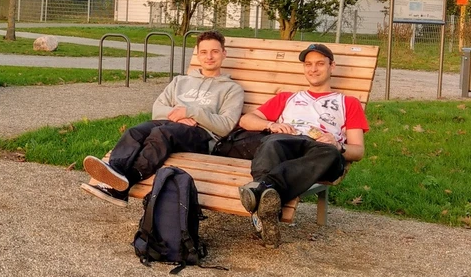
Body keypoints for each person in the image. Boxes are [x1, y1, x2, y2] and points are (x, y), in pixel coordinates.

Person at [81, 31, 245, 206]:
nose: (209, 57)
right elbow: (157, 109)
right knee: (135, 132)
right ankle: (115, 172)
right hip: (173, 124)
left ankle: (126, 181)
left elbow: (225, 126)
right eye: (204, 52)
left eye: (215, 51)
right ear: (197, 54)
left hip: (202, 135)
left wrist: (190, 112)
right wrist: (178, 117)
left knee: (162, 133)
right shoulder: (180, 81)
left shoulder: (232, 89)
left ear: (223, 53)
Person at [235, 43, 368, 247]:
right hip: (289, 141)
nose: (313, 69)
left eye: (319, 64)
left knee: (332, 154)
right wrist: (271, 125)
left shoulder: (348, 102)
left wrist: (339, 145)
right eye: (308, 64)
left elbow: (358, 151)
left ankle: (261, 190)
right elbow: (246, 121)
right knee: (272, 142)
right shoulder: (288, 98)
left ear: (332, 66)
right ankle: (267, 210)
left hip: (321, 151)